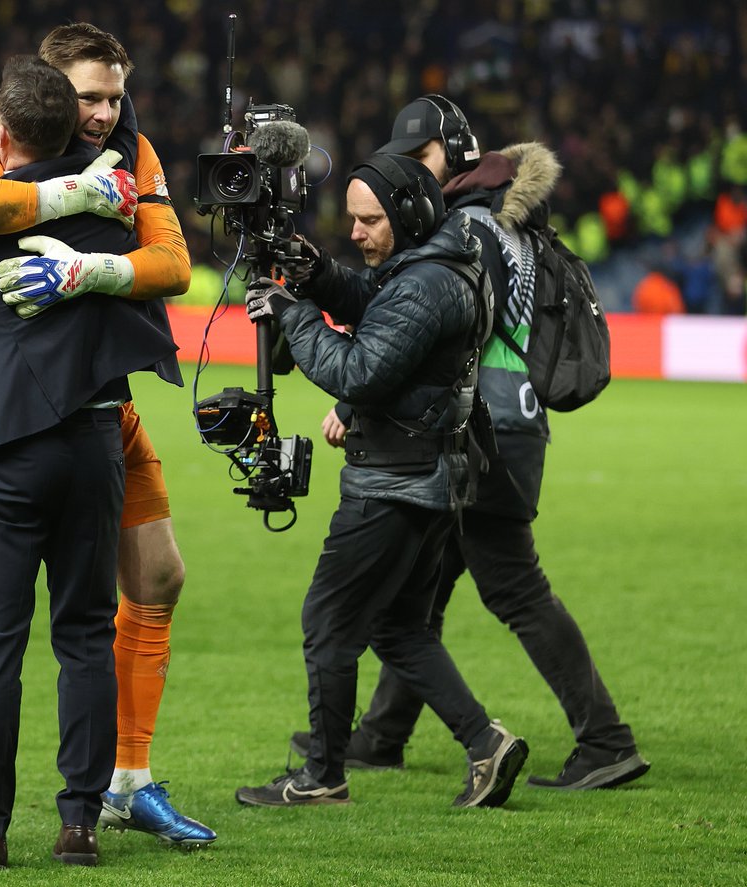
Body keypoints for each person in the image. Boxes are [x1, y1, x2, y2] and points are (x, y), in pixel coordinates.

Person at [0, 22, 216, 857]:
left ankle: (124, 784)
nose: (107, 113)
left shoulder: (133, 148)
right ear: (46, 88)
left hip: (98, 407)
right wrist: (74, 198)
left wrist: (92, 272)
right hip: (37, 413)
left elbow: (175, 264)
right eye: (90, 96)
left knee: (157, 575)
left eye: (116, 95)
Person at [291, 96, 649, 790]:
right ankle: (381, 733)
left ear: (453, 158)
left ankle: (604, 738)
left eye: (418, 158)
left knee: (509, 585)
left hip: (481, 424)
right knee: (420, 591)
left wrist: (349, 394)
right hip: (503, 421)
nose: (407, 173)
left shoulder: (465, 227)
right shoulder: (505, 221)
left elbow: (437, 329)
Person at [235, 151, 528, 810]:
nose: (358, 233)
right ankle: (486, 742)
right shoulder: (438, 263)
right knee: (400, 629)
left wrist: (292, 312)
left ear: (412, 214)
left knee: (329, 623)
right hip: (431, 477)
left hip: (395, 480)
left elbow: (360, 371)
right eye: (353, 221)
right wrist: (320, 278)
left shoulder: (427, 284)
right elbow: (378, 299)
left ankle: (322, 776)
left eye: (370, 222)